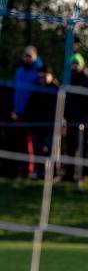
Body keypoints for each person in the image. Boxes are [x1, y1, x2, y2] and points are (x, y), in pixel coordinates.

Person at [63, 53, 88, 182]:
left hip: (84, 119)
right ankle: (69, 174)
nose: (74, 66)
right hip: (70, 119)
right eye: (73, 63)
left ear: (82, 64)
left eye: (77, 63)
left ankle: (81, 175)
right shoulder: (68, 79)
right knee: (70, 148)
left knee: (82, 148)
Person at [10, 46, 43, 177]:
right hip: (18, 113)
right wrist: (14, 110)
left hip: (32, 114)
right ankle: (21, 170)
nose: (27, 58)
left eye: (30, 55)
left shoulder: (39, 72)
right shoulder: (18, 71)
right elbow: (16, 92)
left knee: (33, 143)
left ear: (35, 57)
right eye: (25, 55)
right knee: (19, 143)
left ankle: (31, 170)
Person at [24, 66, 60, 179]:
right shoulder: (36, 88)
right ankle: (39, 172)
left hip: (51, 126)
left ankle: (53, 173)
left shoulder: (56, 89)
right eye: (40, 76)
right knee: (38, 149)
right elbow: (30, 106)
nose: (42, 78)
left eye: (44, 75)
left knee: (52, 150)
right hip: (37, 125)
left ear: (50, 76)